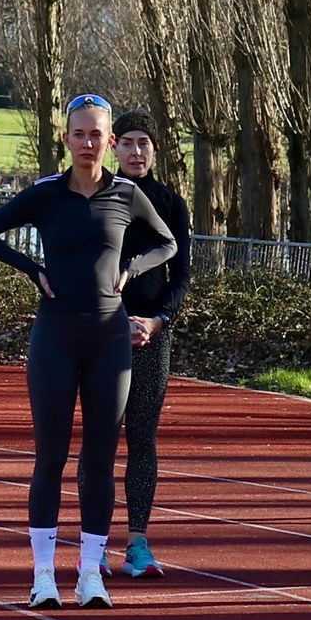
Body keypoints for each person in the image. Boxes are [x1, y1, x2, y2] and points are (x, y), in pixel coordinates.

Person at [0, 94, 177, 609]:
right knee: (50, 458)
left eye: (96, 135)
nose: (88, 143)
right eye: (79, 134)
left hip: (110, 341)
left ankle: (90, 574)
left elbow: (167, 243)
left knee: (101, 459)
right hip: (55, 339)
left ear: (110, 141)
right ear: (66, 139)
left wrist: (131, 269)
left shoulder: (127, 194)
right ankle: (43, 575)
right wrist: (32, 269)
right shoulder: (45, 193)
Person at [110, 109, 192, 580]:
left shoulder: (171, 204)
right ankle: (92, 544)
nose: (136, 151)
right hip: (103, 335)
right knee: (101, 439)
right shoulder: (99, 196)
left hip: (151, 336)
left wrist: (158, 321)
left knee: (142, 438)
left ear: (155, 150)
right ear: (114, 147)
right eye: (127, 142)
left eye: (144, 143)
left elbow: (181, 274)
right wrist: (114, 319)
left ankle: (137, 542)